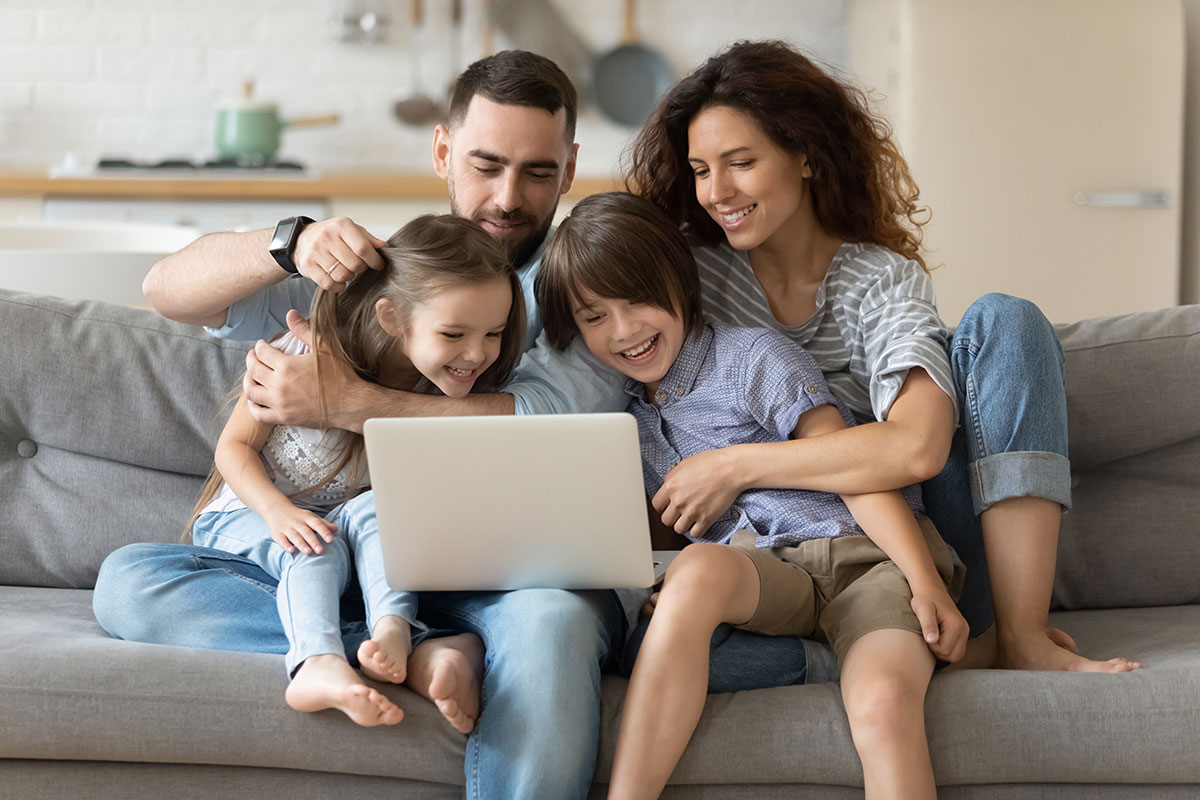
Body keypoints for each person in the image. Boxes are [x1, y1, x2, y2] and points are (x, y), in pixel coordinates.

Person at [94, 51, 633, 800]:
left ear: (571, 168)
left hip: (495, 579)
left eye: (538, 172)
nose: (508, 196)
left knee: (552, 622)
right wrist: (287, 241)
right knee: (129, 583)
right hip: (342, 573)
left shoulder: (583, 289)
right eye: (485, 164)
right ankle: (409, 652)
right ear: (443, 151)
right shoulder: (378, 277)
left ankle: (415, 639)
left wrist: (344, 402)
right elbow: (166, 291)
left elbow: (542, 416)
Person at [622, 39, 1140, 674]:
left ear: (806, 156)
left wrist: (732, 466)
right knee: (649, 647)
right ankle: (887, 657)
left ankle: (1019, 637)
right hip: (768, 568)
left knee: (1007, 318)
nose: (717, 191)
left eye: (741, 162)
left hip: (919, 552)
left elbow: (918, 448)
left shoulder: (878, 281)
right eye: (701, 170)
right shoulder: (688, 282)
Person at [536, 190, 967, 799]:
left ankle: (926, 652)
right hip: (769, 577)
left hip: (865, 562)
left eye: (638, 301)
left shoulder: (751, 358)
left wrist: (924, 583)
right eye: (595, 316)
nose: (624, 330)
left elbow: (857, 472)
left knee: (882, 702)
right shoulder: (626, 422)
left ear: (680, 283)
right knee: (690, 576)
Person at [186, 214, 521, 730]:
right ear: (391, 317)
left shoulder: (444, 395)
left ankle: (391, 628)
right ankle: (320, 663)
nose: (477, 353)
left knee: (373, 511)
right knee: (311, 546)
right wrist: (278, 513)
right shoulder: (306, 353)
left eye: (493, 333)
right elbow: (232, 449)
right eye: (454, 333)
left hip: (350, 555)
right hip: (252, 518)